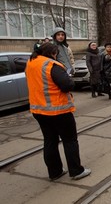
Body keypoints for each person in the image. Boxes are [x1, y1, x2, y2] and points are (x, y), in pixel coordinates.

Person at [25, 42, 91, 181]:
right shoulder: (51, 65)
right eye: (56, 53)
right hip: (58, 110)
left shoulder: (31, 63)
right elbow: (67, 85)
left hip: (39, 110)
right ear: (52, 53)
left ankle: (55, 172)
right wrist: (70, 79)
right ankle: (76, 170)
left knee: (50, 141)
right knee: (70, 140)